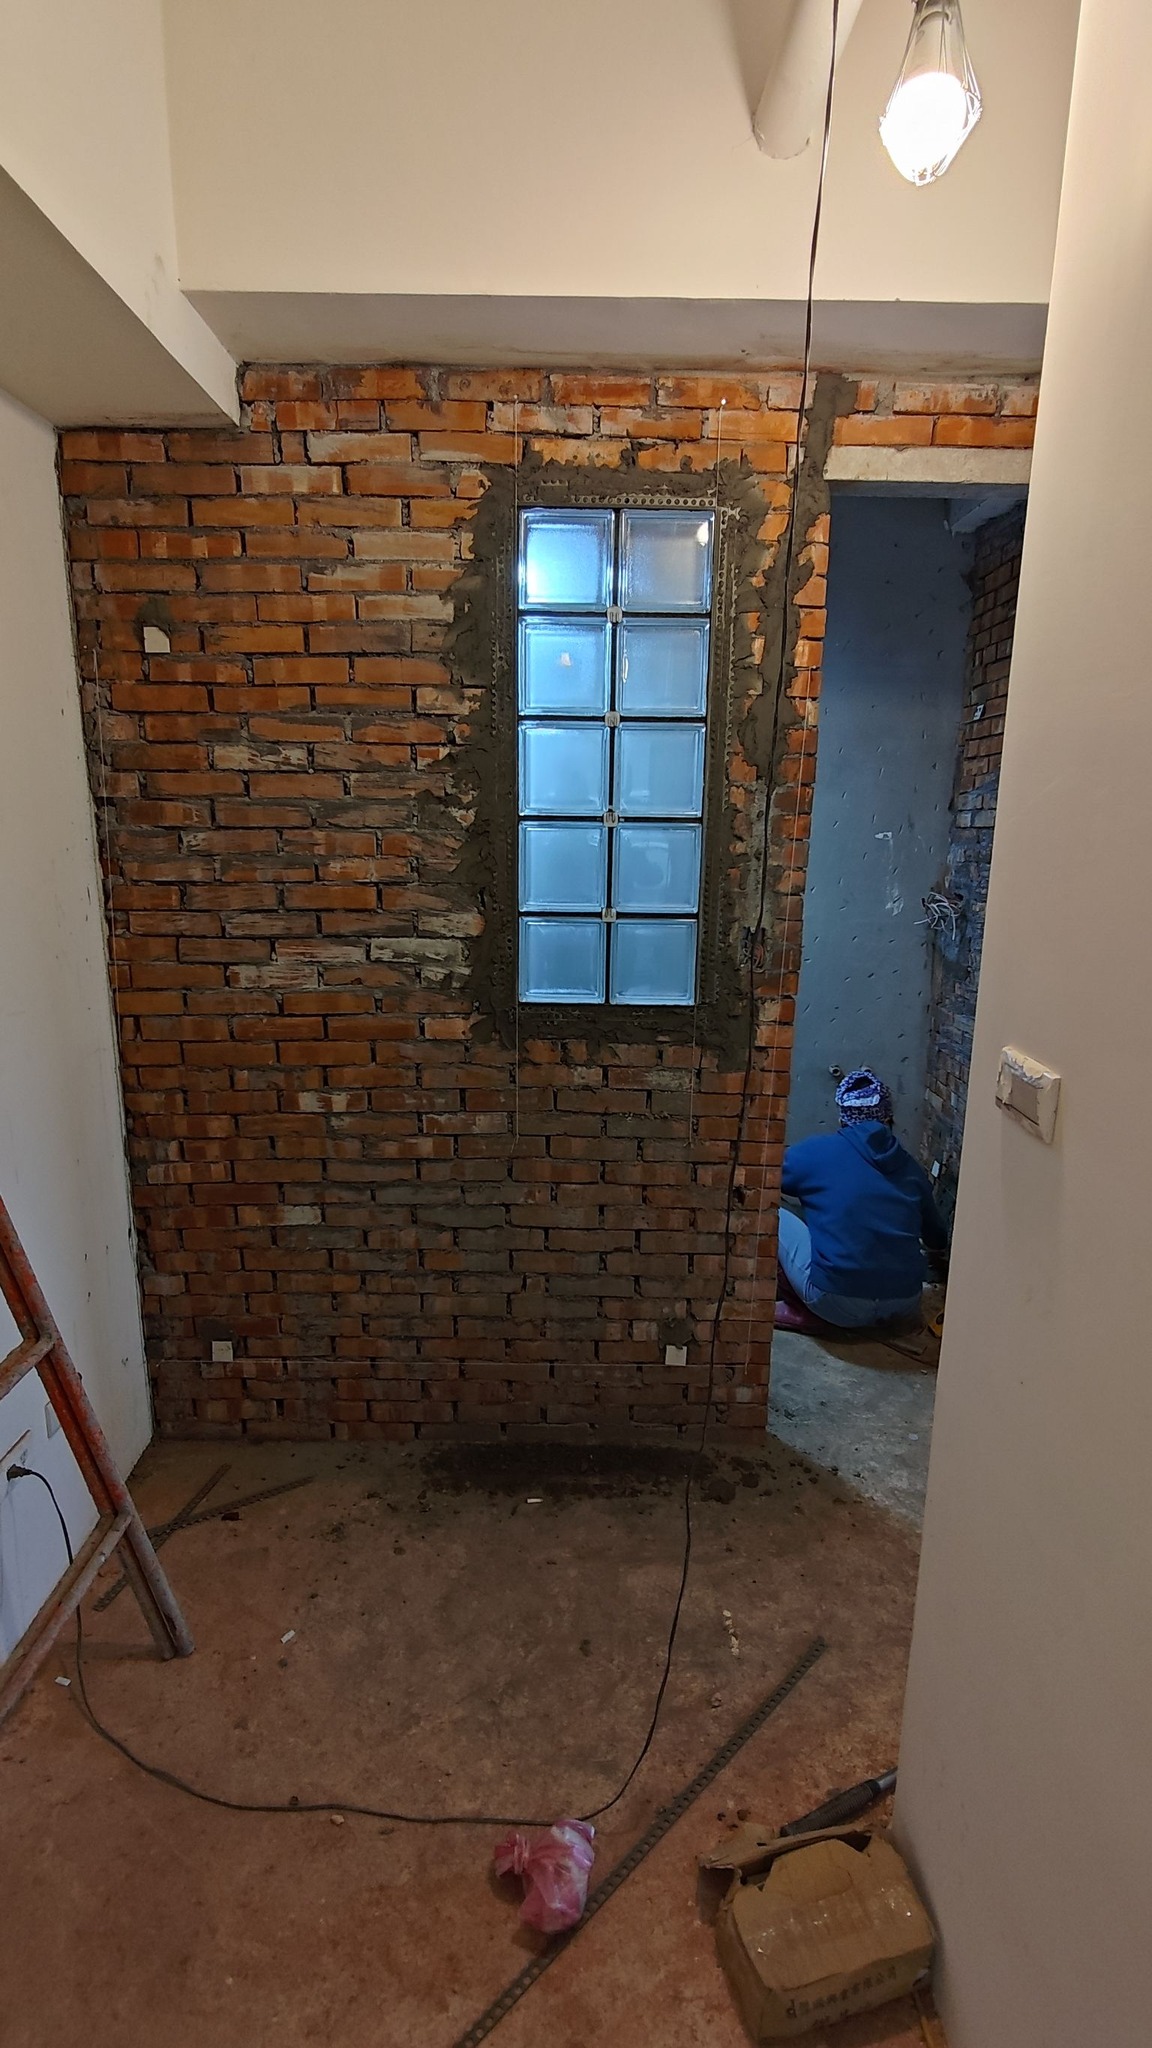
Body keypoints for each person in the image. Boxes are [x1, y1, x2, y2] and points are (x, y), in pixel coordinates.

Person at [777, 1067, 948, 1330]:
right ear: (888, 1118)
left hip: (837, 1302)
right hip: (904, 1304)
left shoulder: (817, 1153)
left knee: (773, 1213)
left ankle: (799, 1309)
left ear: (843, 1117)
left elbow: (762, 1178)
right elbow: (937, 1239)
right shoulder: (911, 1168)